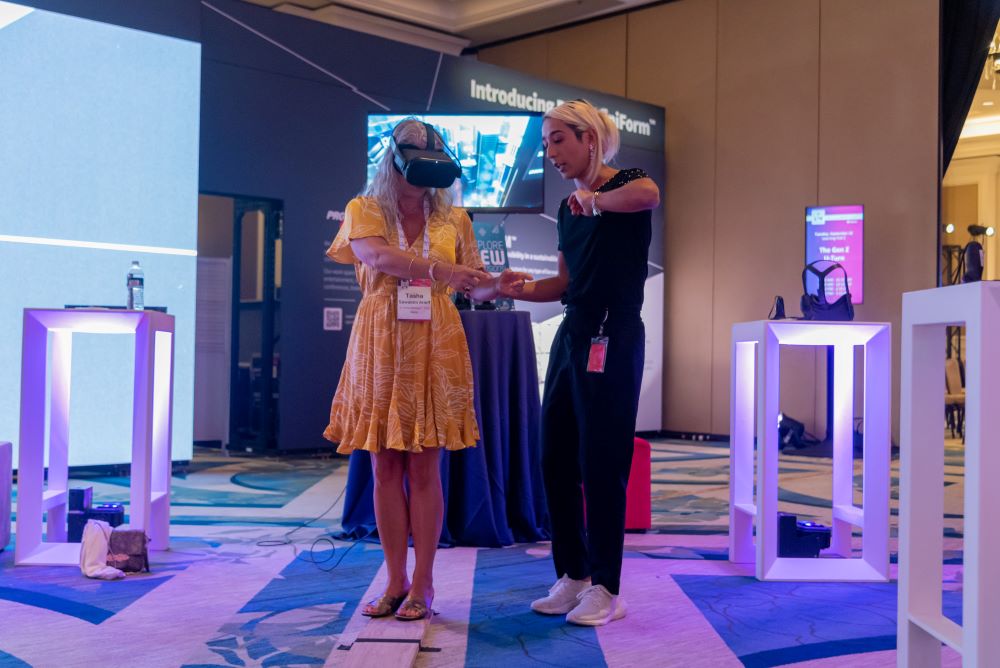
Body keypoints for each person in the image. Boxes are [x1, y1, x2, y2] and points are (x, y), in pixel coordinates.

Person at [323, 118, 529, 621]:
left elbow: (470, 287)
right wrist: (443, 272)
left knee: (425, 465)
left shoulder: (454, 219)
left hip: (436, 342)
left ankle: (424, 584)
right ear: (394, 158)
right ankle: (393, 581)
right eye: (415, 154)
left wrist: (496, 285)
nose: (424, 166)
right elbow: (376, 255)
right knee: (384, 465)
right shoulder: (364, 208)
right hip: (381, 340)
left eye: (432, 155)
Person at [512, 99, 660, 626]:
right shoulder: (567, 210)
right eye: (546, 142)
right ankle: (573, 574)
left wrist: (596, 202)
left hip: (614, 333)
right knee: (555, 456)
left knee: (602, 460)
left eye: (557, 140)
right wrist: (513, 287)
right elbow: (563, 283)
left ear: (589, 138)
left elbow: (648, 194)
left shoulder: (629, 184)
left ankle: (607, 587)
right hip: (575, 333)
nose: (549, 152)